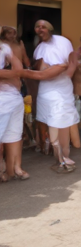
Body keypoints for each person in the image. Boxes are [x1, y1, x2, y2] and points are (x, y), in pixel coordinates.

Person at [22, 20, 80, 173]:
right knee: (51, 123)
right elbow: (39, 71)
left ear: (50, 28)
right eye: (37, 26)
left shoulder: (63, 41)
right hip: (45, 92)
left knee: (61, 124)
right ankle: (60, 158)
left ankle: (64, 157)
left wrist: (67, 73)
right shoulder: (38, 49)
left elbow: (71, 62)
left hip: (62, 91)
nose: (40, 29)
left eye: (43, 26)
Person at [0, 42, 29, 182]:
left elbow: (19, 70)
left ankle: (14, 169)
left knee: (14, 136)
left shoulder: (4, 49)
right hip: (2, 102)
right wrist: (12, 74)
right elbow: (18, 72)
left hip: (13, 99)